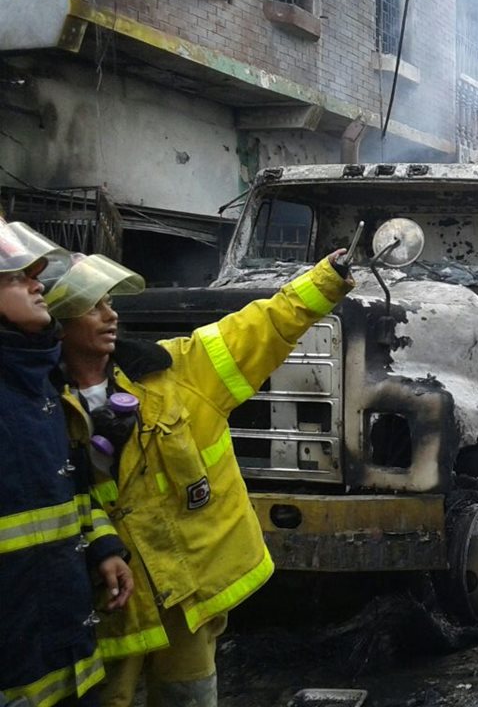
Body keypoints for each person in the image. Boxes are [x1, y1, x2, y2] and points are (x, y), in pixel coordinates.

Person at [47, 250, 355, 707]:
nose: (111, 315)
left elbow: (263, 327)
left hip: (183, 600)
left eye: (110, 303)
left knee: (188, 697)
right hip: (111, 606)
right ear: (59, 323)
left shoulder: (176, 373)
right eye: (94, 307)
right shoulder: (39, 403)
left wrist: (327, 279)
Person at [0, 220, 133, 707]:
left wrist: (102, 548)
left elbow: (71, 486)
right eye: (16, 278)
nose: (38, 286)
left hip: (63, 655)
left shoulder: (39, 388)